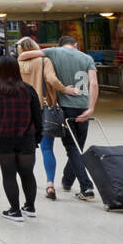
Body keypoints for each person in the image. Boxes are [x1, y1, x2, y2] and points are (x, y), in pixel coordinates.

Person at [21, 36, 96, 200]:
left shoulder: (50, 53)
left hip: (46, 108)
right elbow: (92, 83)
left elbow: (22, 57)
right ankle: (60, 183)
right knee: (70, 148)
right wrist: (89, 106)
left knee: (70, 148)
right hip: (75, 106)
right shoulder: (84, 58)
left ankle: (76, 183)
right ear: (75, 45)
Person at [0, 55, 43, 222]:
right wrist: (38, 136)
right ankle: (30, 206)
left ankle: (15, 210)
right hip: (27, 138)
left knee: (9, 174)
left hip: (3, 138)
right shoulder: (28, 90)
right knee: (28, 173)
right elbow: (38, 117)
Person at [17, 37, 75, 201]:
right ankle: (50, 184)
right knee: (47, 148)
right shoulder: (44, 61)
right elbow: (51, 79)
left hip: (23, 110)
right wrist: (64, 89)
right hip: (44, 109)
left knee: (27, 149)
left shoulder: (18, 64)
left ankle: (28, 182)